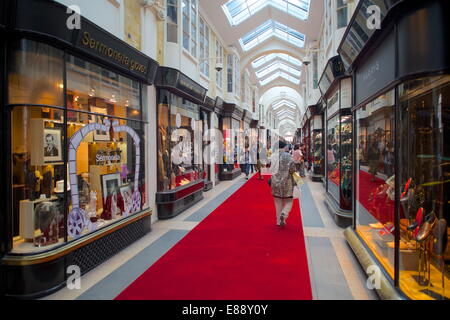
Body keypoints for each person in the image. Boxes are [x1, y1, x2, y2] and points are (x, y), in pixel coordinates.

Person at [270, 141, 296, 227]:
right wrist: (297, 181)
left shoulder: (273, 156)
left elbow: (271, 169)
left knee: (278, 202)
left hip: (275, 182)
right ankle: (284, 214)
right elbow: (293, 169)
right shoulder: (288, 156)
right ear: (283, 147)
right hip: (287, 182)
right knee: (289, 200)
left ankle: (278, 221)